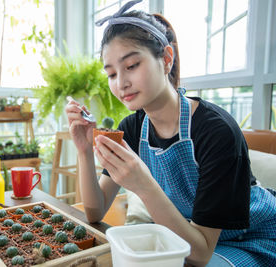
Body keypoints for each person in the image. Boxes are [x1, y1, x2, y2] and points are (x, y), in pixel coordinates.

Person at [65, 0, 276, 266]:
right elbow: (95, 213)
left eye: (131, 66)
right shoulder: (131, 129)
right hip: (189, 238)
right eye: (111, 74)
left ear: (166, 59)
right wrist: (84, 151)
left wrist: (144, 185)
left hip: (253, 240)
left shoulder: (216, 131)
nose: (121, 83)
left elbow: (200, 254)